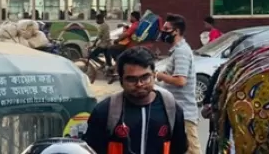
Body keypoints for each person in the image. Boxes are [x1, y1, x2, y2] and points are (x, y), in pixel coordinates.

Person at [83, 47, 188, 154]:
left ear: (153, 75)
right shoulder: (104, 111)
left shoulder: (171, 109)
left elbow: (179, 149)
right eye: (131, 79)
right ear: (121, 80)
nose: (139, 84)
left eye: (145, 77)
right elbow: (92, 150)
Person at [156, 14, 201, 154]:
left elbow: (181, 81)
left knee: (193, 150)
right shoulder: (177, 51)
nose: (163, 32)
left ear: (175, 31)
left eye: (166, 29)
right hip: (177, 110)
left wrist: (160, 75)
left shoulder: (181, 51)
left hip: (184, 112)